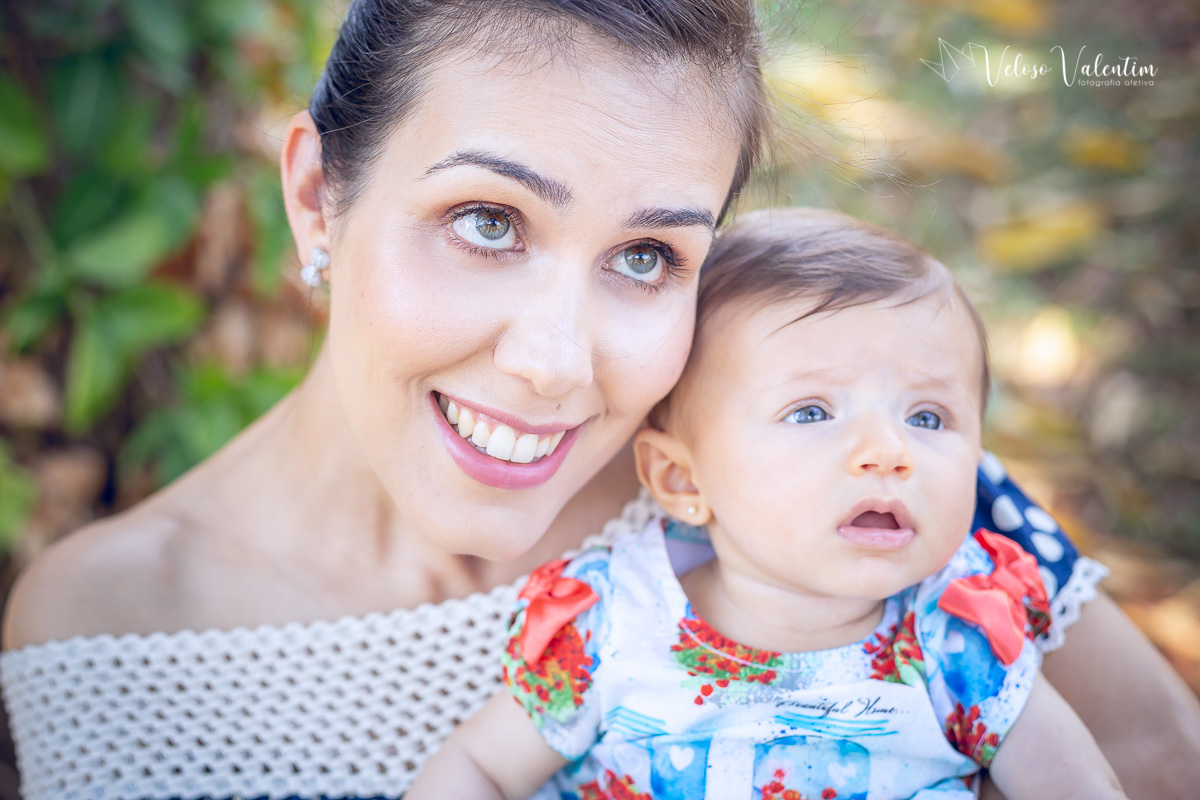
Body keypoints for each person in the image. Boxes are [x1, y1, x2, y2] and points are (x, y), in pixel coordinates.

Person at [0, 2, 1196, 799]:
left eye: (645, 256)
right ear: (319, 200)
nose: (559, 363)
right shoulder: (112, 636)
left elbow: (1159, 755)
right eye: (486, 222)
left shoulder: (821, 462)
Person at [408, 208, 1127, 800]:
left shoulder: (961, 637)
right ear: (685, 481)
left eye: (929, 418)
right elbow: (482, 769)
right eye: (812, 412)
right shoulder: (616, 621)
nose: (889, 450)